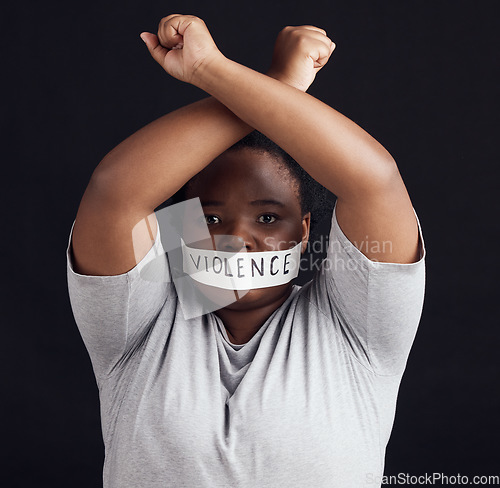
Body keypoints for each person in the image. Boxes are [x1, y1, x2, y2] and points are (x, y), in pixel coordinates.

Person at [66, 14, 426, 488]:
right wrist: (281, 84)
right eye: (210, 218)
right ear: (176, 231)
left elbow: (373, 182)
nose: (238, 237)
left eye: (268, 217)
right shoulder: (136, 327)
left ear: (304, 231)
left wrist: (213, 71)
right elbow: (116, 192)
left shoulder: (356, 328)